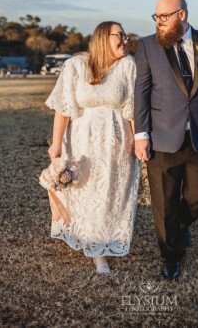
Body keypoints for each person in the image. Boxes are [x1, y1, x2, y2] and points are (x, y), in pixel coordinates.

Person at [134, 0, 198, 280]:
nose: (159, 22)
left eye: (164, 17)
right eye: (156, 17)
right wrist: (141, 134)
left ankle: (177, 228)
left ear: (182, 15)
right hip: (162, 139)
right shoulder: (146, 47)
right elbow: (140, 93)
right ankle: (171, 256)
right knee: (164, 203)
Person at [45, 21, 140, 274]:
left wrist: (140, 140)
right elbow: (63, 108)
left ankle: (103, 244)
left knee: (111, 191)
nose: (125, 40)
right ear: (102, 37)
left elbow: (132, 109)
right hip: (82, 142)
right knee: (85, 189)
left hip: (118, 142)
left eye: (126, 35)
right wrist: (56, 144)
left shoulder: (128, 66)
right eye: (120, 35)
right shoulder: (75, 65)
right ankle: (93, 244)